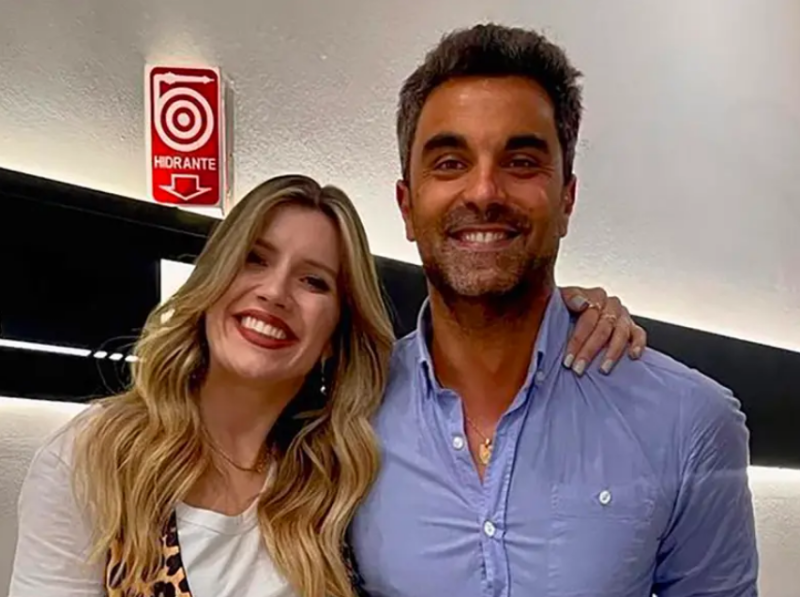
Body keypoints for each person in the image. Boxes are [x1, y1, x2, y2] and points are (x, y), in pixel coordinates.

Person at [8, 175, 644, 597]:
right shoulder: (96, 458)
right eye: (254, 259)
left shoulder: (342, 467)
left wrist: (574, 312)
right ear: (212, 279)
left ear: (337, 332)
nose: (275, 292)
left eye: (313, 281)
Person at [349, 23, 758, 597]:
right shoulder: (346, 419)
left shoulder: (688, 422)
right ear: (406, 206)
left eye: (520, 162)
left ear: (567, 198)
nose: (484, 192)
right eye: (449, 163)